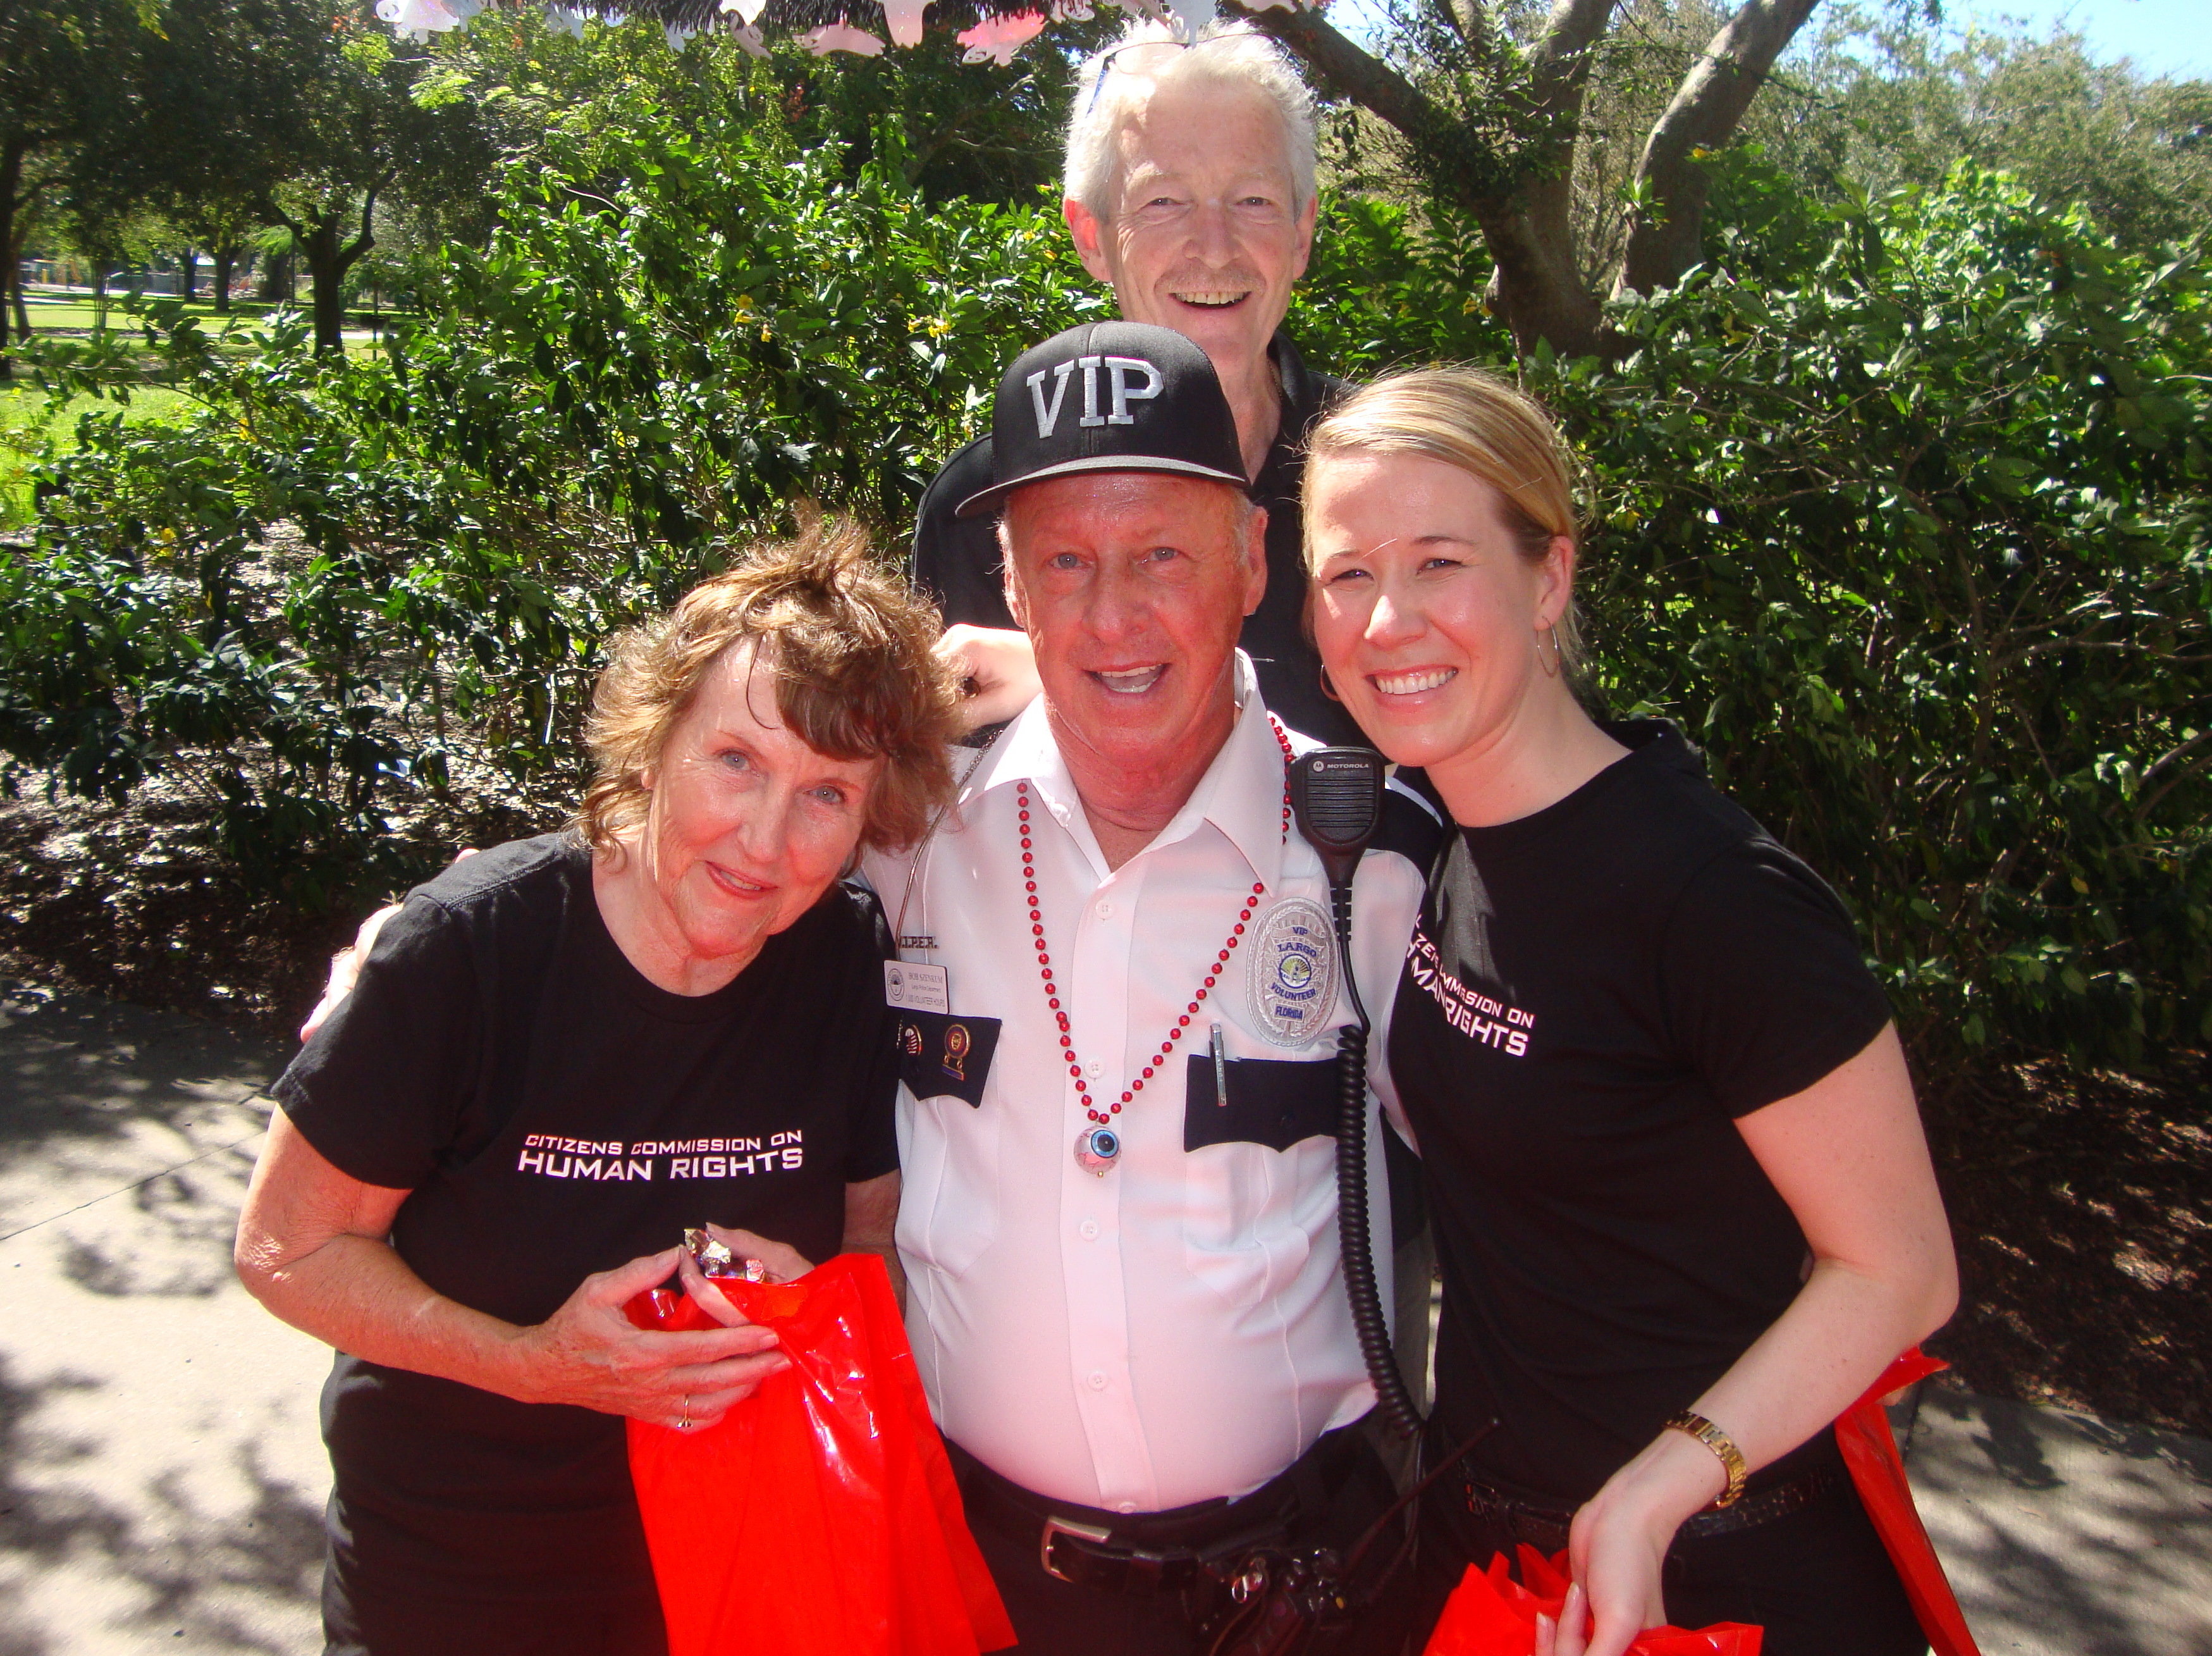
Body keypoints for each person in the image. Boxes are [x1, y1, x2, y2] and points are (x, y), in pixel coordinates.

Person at [1296, 368, 1960, 1656]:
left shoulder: (1713, 896)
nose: (1387, 620)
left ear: (1548, 581)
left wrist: (1669, 1477)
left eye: (1440, 562)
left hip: (1716, 1574)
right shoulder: (1445, 842)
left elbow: (1902, 1267)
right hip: (1501, 1562)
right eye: (1345, 574)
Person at [233, 523, 963, 1656]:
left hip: (740, 1567)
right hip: (461, 1578)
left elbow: (869, 1240)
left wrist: (808, 1296)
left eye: (827, 795)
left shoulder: (839, 959)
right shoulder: (469, 950)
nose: (764, 839)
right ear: (653, 741)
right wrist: (537, 1365)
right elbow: (285, 1249)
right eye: (737, 762)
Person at [866, 319, 1437, 1654]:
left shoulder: (1380, 858)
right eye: (1064, 561)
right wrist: (455, 937)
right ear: (1007, 582)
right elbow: (697, 896)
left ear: (1252, 563)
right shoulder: (901, 837)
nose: (1110, 615)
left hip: (1299, 1584)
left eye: (1160, 556)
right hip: (973, 1579)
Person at [916, 19, 1362, 746]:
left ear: (1304, 232)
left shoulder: (1389, 476)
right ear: (1091, 236)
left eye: (1252, 201)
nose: (1214, 248)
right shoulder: (984, 503)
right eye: (1163, 203)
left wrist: (1071, 669)